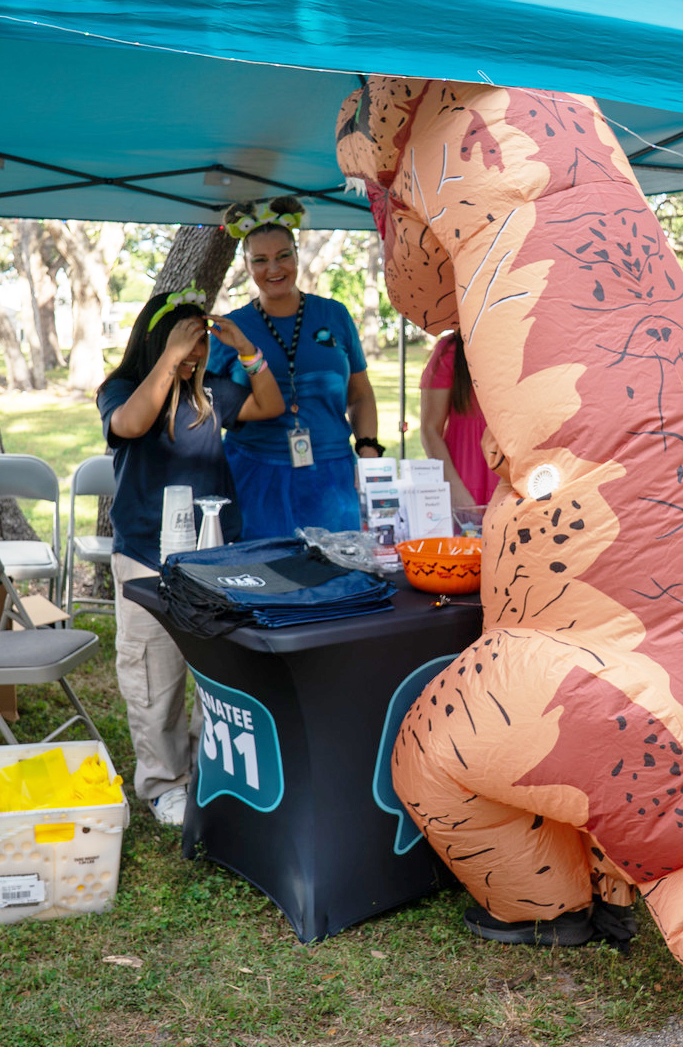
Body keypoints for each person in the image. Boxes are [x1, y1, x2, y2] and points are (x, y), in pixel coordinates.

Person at [97, 289, 284, 826]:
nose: (197, 353)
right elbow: (131, 425)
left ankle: (212, 771)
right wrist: (169, 360)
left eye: (201, 343)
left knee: (215, 668)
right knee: (153, 673)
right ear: (158, 343)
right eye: (188, 342)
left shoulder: (211, 395)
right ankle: (163, 783)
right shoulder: (122, 390)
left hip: (214, 555)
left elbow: (269, 405)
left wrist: (247, 351)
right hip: (144, 557)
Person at [212, 197, 385, 539]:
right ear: (247, 265)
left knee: (339, 576)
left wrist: (367, 450)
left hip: (332, 475)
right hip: (254, 473)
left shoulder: (334, 315)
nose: (273, 269)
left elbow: (361, 395)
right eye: (260, 260)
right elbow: (214, 408)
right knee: (265, 579)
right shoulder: (229, 329)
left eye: (283, 256)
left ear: (296, 254)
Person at [418, 330, 495, 507]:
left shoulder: (523, 345)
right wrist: (455, 489)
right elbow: (430, 429)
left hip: (512, 481)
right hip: (464, 479)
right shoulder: (451, 350)